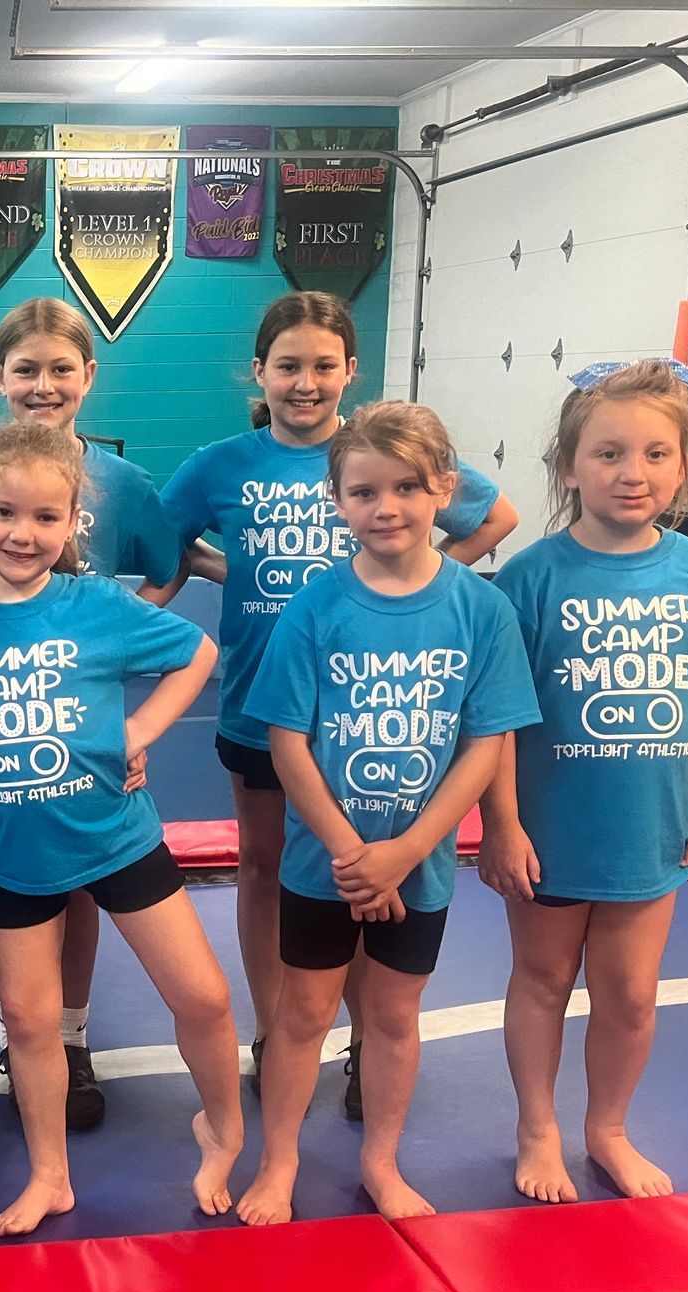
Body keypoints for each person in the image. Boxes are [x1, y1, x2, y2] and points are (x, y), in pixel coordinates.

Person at [160, 291, 520, 1117]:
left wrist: (436, 576)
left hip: (375, 711)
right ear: (261, 372)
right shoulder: (223, 462)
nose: (305, 382)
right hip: (268, 702)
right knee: (271, 869)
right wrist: (224, 576)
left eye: (324, 365)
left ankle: (365, 1038)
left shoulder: (381, 452)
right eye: (288, 366)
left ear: (350, 371)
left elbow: (496, 514)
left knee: (370, 863)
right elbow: (165, 540)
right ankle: (277, 1023)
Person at [235, 401, 539, 1226]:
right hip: (321, 865)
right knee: (302, 1015)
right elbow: (287, 742)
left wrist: (405, 850)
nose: (388, 508)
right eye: (365, 492)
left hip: (422, 865)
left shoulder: (481, 610)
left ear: (445, 488)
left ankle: (380, 1162)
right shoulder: (316, 608)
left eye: (407, 487)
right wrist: (348, 850)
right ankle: (281, 1161)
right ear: (338, 502)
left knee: (393, 1016)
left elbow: (485, 743)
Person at [0, 422, 243, 1238]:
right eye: (5, 513)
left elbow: (197, 652)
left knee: (206, 999)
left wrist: (141, 731)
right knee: (32, 1025)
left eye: (46, 518)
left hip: (117, 836)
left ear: (72, 521)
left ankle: (222, 1130)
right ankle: (50, 1174)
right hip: (16, 857)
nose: (22, 534)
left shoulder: (99, 605)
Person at [480, 358, 688, 1203]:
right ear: (569, 467)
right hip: (552, 828)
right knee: (541, 981)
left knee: (631, 995)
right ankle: (538, 1127)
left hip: (654, 827)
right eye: (607, 454)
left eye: (654, 455)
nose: (631, 473)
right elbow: (494, 719)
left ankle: (607, 1128)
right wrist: (503, 825)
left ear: (681, 467)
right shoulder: (532, 579)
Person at [0, 296, 186, 1131]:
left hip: (83, 716)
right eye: (26, 369)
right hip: (1, 705)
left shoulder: (123, 480)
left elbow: (166, 571)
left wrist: (113, 709)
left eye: (60, 369)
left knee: (85, 890)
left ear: (88, 376)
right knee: (32, 878)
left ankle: (70, 1038)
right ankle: (28, 1034)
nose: (43, 385)